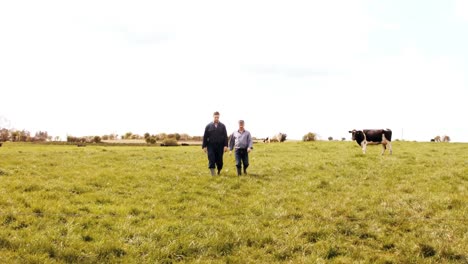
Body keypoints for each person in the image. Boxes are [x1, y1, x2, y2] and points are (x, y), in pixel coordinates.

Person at [202, 111, 228, 176]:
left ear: (219, 117)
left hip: (220, 146)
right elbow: (205, 136)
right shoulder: (208, 126)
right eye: (215, 117)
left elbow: (225, 136)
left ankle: (219, 170)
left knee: (219, 160)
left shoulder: (222, 126)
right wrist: (204, 146)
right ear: (213, 117)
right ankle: (213, 174)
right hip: (211, 145)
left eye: (217, 117)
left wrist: (225, 145)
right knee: (211, 158)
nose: (216, 118)